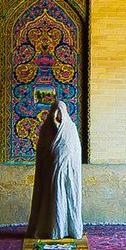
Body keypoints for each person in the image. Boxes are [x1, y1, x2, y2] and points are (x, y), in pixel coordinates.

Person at [25, 100, 84, 240]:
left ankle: (68, 229)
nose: (58, 115)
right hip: (50, 173)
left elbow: (73, 150)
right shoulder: (46, 128)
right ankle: (49, 229)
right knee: (51, 200)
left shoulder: (70, 129)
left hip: (67, 173)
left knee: (66, 198)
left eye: (60, 111)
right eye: (55, 111)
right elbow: (43, 152)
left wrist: (63, 161)